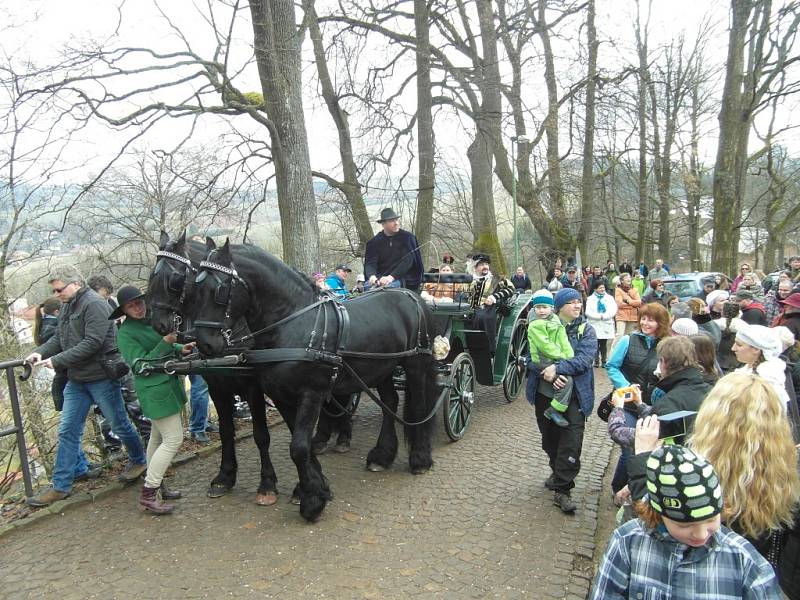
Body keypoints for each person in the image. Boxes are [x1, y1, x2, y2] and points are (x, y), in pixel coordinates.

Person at [590, 443, 780, 600]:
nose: (701, 534)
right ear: (657, 514)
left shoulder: (745, 560)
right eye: (684, 525)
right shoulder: (627, 543)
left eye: (711, 519)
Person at [24, 266, 147, 507]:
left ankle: (139, 459)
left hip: (101, 377)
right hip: (77, 380)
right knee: (67, 430)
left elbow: (93, 342)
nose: (56, 293)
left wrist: (57, 361)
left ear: (76, 284)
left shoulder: (95, 304)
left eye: (59, 289)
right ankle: (61, 486)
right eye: (55, 290)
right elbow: (59, 338)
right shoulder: (69, 305)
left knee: (119, 423)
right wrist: (38, 353)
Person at [115, 285, 192, 514]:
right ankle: (149, 492)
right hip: (154, 391)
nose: (137, 308)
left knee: (156, 440)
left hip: (166, 388)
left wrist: (179, 347)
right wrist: (167, 342)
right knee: (173, 440)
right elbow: (141, 365)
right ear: (124, 310)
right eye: (131, 306)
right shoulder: (126, 333)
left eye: (139, 302)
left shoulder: (149, 321)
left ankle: (158, 488)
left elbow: (160, 344)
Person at [526, 287, 596, 513]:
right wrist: (546, 370)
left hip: (575, 396)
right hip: (544, 394)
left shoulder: (586, 330)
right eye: (572, 302)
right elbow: (528, 358)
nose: (577, 305)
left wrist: (557, 369)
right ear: (559, 307)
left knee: (571, 442)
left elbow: (584, 360)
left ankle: (563, 490)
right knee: (550, 440)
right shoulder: (540, 325)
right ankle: (557, 471)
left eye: (579, 302)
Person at [606, 302, 671, 493]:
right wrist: (625, 386)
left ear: (661, 322)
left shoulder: (667, 345)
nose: (645, 323)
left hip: (652, 406)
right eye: (643, 318)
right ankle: (619, 488)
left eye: (651, 320)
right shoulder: (628, 340)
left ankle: (636, 488)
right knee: (630, 448)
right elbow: (612, 366)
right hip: (627, 405)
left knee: (647, 449)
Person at [526, 290, 574, 428]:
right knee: (567, 381)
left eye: (545, 307)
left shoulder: (555, 321)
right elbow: (544, 345)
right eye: (538, 307)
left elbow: (563, 340)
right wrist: (562, 357)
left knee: (567, 377)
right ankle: (554, 410)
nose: (541, 311)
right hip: (542, 359)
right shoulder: (535, 325)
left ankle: (557, 408)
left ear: (552, 308)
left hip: (554, 357)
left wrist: (569, 356)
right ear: (534, 309)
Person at [363, 207, 423, 292]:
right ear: (383, 224)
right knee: (367, 288)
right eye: (392, 221)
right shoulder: (375, 242)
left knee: (387, 290)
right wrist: (372, 276)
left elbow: (408, 262)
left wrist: (391, 277)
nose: (396, 223)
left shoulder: (407, 238)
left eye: (396, 220)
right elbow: (370, 264)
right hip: (379, 278)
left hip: (401, 278)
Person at [465, 254, 514, 353]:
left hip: (489, 308)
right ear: (475, 267)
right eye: (482, 264)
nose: (485, 266)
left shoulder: (496, 279)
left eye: (487, 264)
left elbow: (511, 289)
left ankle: (489, 348)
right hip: (469, 308)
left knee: (483, 317)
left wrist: (494, 297)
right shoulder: (469, 280)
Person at [585, 280, 617, 368]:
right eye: (600, 288)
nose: (602, 289)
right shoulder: (590, 299)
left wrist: (604, 316)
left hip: (606, 323)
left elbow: (613, 310)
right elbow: (588, 312)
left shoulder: (609, 298)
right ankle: (596, 360)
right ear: (595, 289)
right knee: (595, 343)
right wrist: (598, 317)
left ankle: (604, 360)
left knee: (603, 344)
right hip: (594, 323)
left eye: (603, 287)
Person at [613, 273, 642, 343]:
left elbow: (639, 302)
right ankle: (613, 353)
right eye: (626, 278)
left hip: (633, 316)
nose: (629, 279)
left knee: (629, 337)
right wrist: (633, 304)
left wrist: (628, 301)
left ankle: (626, 352)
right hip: (621, 316)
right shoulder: (618, 290)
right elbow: (619, 304)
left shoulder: (634, 289)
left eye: (629, 277)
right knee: (619, 335)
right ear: (622, 281)